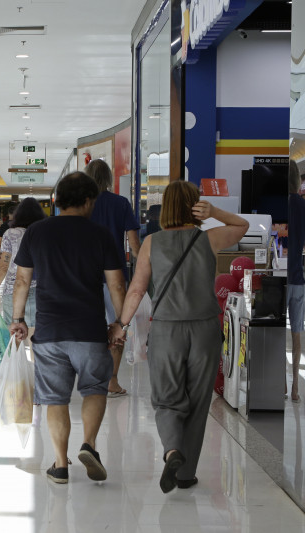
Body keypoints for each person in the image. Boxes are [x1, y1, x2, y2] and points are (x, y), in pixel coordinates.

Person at [113, 181, 248, 493]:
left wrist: (121, 325)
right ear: (194, 206)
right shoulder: (209, 238)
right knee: (198, 401)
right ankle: (186, 475)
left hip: (167, 331)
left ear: (166, 208)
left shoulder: (152, 244)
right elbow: (241, 225)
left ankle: (173, 450)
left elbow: (136, 290)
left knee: (167, 398)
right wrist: (214, 212)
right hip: (205, 330)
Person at [10, 172, 125, 485]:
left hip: (49, 332)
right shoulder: (101, 234)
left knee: (55, 399)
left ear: (58, 201)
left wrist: (19, 319)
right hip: (89, 330)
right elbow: (115, 283)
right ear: (88, 201)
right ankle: (88, 444)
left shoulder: (36, 231)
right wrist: (120, 323)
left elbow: (22, 280)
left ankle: (60, 465)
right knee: (95, 388)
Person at [85, 159, 141, 397]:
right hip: (115, 277)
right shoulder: (121, 204)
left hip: (84, 277)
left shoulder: (81, 204)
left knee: (86, 329)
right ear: (108, 178)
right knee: (118, 326)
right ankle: (112, 381)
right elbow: (136, 246)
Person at [0, 197, 45, 333]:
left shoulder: (10, 233)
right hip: (38, 289)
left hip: (12, 290)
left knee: (14, 336)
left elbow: (3, 266)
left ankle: (14, 355)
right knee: (34, 336)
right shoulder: (42, 232)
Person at [288, 160, 304, 404]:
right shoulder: (302, 204)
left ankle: (278, 380)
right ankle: (294, 388)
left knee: (275, 328)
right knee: (297, 331)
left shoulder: (274, 204)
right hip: (298, 277)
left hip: (277, 278)